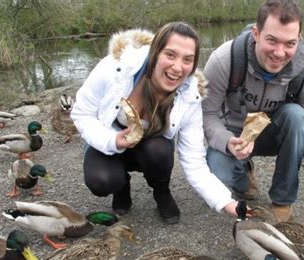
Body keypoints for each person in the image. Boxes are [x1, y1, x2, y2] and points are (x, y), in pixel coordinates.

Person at [71, 22, 239, 224]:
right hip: (111, 141)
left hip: (150, 148)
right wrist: (112, 140)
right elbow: (82, 114)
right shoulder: (115, 68)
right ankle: (121, 186)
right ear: (155, 52)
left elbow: (195, 161)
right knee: (101, 181)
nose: (177, 67)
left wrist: (226, 203)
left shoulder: (190, 97)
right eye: (170, 55)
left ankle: (161, 190)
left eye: (187, 60)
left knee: (158, 150)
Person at [202, 0, 304, 228]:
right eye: (271, 40)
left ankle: (282, 200)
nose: (279, 52)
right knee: (216, 177)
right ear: (256, 33)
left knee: (297, 117)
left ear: (299, 40)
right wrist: (226, 141)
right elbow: (207, 114)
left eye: (289, 43)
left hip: (276, 132)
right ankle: (243, 175)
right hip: (235, 133)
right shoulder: (224, 60)